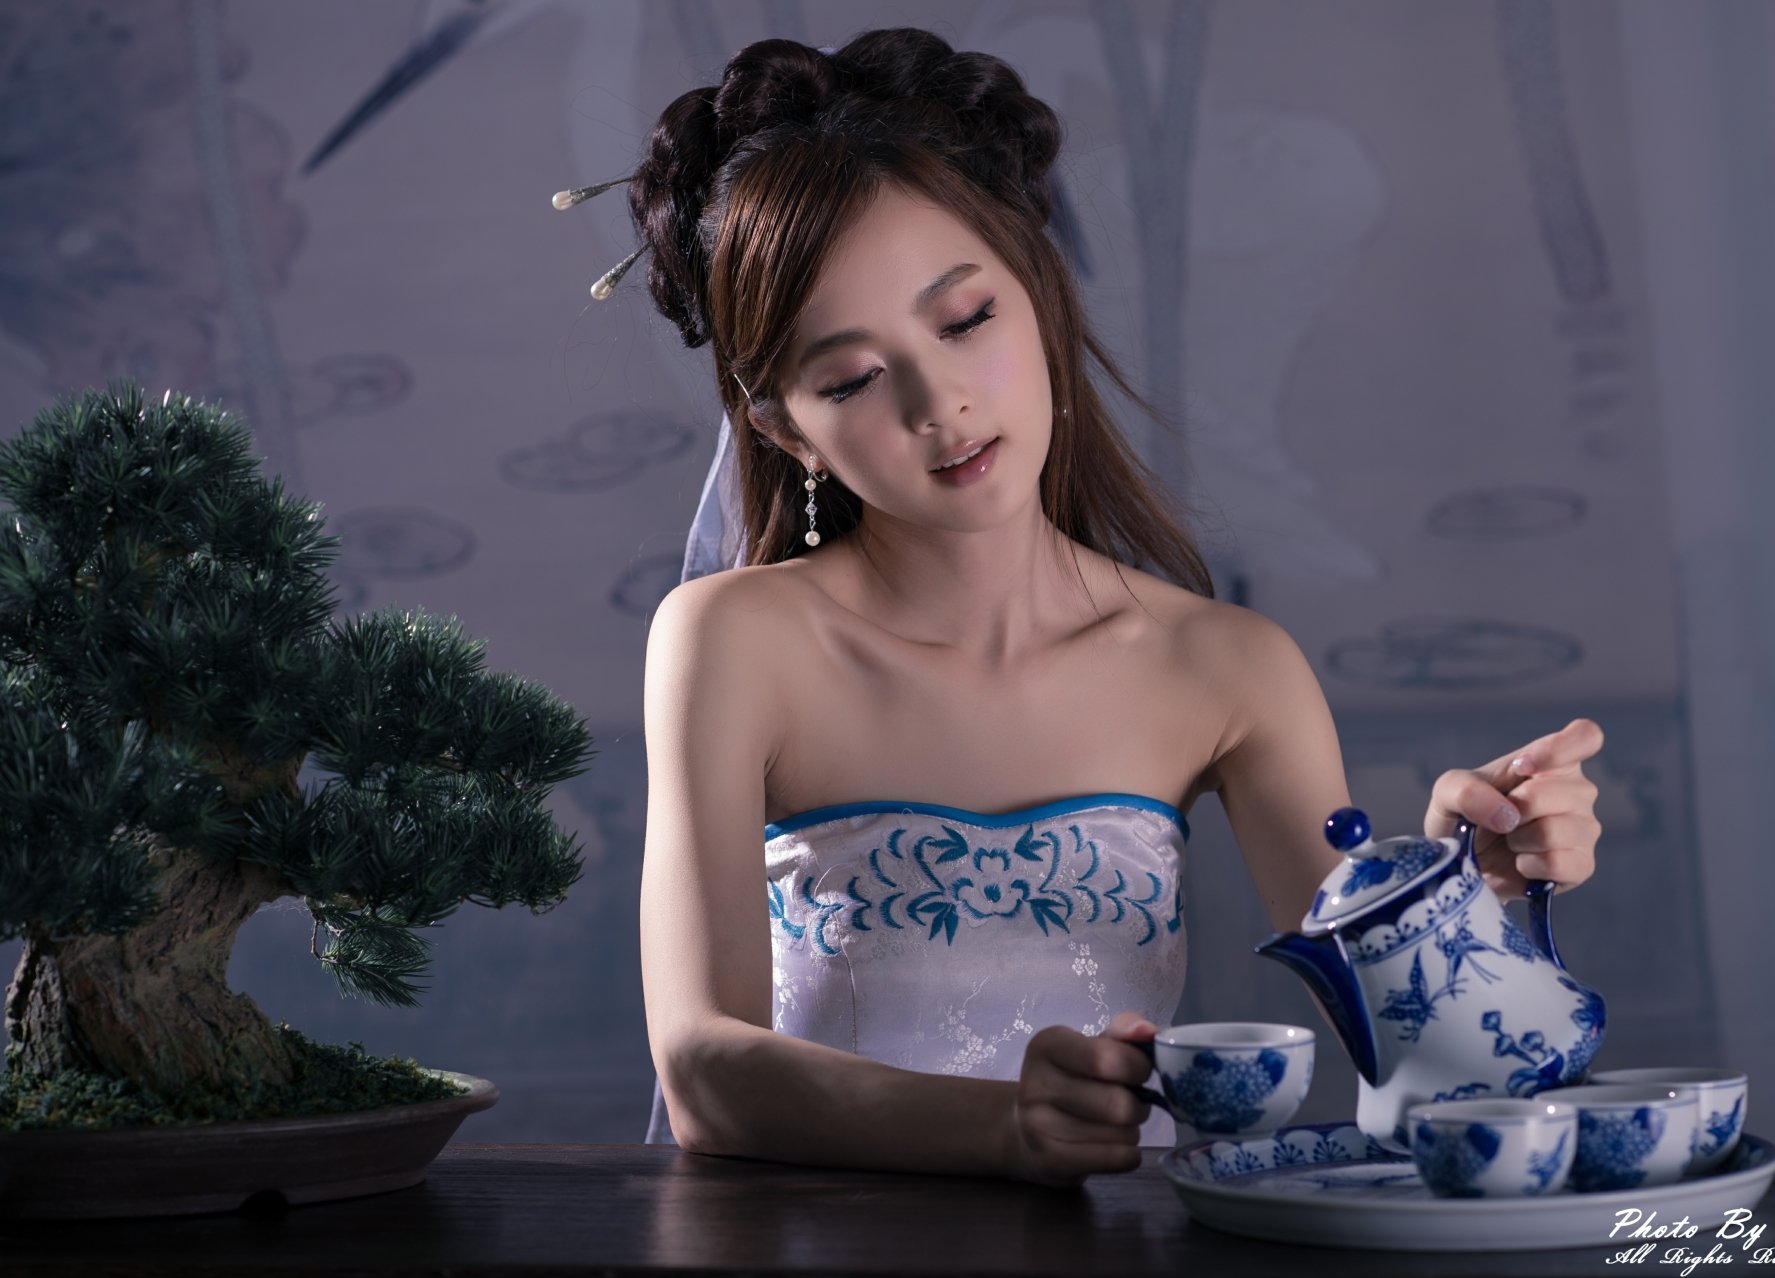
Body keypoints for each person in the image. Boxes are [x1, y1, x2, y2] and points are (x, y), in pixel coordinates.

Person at [587, 28, 1603, 1188]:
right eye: (852, 379)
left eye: (966, 319)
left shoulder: (1224, 666)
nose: (940, 403)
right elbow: (706, 1071)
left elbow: (1433, 1055)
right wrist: (1003, 1128)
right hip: (822, 1246)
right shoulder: (736, 642)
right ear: (780, 428)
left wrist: (1474, 889)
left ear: (1041, 295)